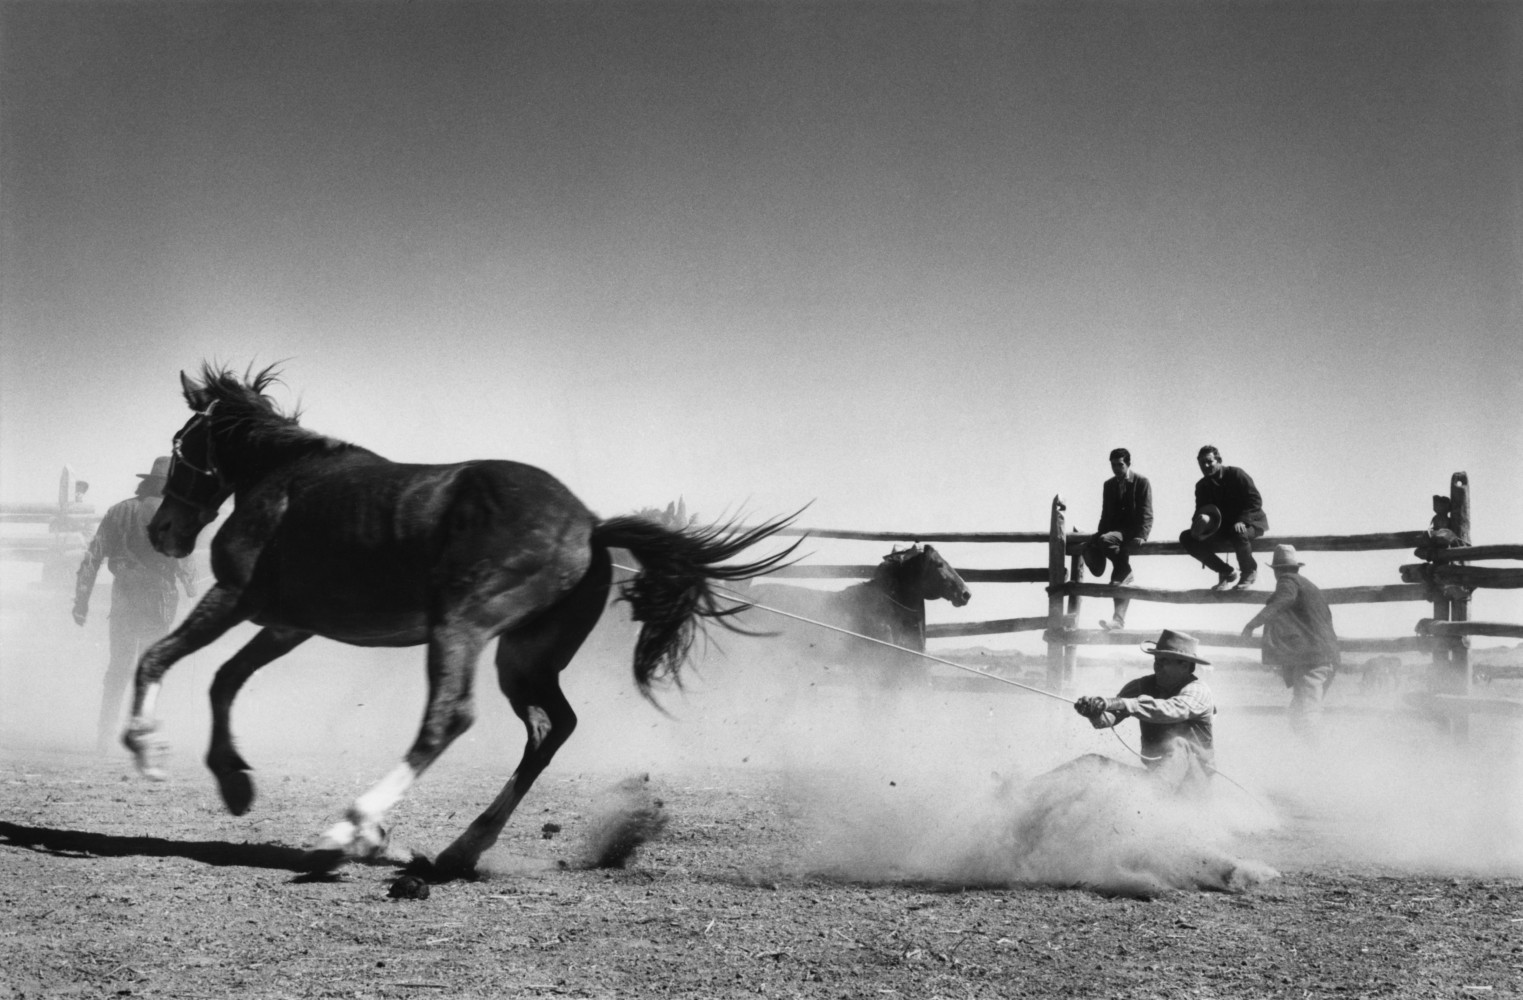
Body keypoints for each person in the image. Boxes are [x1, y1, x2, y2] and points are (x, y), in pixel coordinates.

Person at [73, 457, 197, 750]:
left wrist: (81, 601)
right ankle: (140, 736)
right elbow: (185, 564)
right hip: (160, 600)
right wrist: (190, 586)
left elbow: (92, 558)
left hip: (125, 598)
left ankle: (105, 736)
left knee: (118, 667)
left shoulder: (119, 511)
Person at [1073, 629, 1216, 792]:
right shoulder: (1141, 686)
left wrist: (1118, 703)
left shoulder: (1198, 691)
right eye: (1157, 659)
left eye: (1165, 660)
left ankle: (1151, 798)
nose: (1157, 665)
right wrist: (1094, 713)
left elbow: (1170, 710)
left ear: (1184, 665)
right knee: (1093, 765)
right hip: (1156, 775)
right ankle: (1148, 796)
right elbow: (1109, 719)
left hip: (1194, 783)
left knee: (1179, 744)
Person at [1240, 544, 1340, 741]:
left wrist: (1252, 624)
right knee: (1298, 714)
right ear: (1295, 567)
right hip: (1325, 656)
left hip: (1312, 659)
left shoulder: (1287, 581)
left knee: (1307, 714)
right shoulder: (1307, 585)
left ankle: (1323, 755)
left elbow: (1282, 601)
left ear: (1276, 571)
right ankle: (1308, 753)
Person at [1081, 448, 1153, 631]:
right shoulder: (1109, 484)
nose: (1116, 468)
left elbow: (1146, 511)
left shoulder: (1141, 481)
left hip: (1131, 532)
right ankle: (1118, 621)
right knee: (1114, 569)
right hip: (1113, 531)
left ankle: (1125, 571)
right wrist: (1098, 535)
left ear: (1128, 464)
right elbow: (1105, 512)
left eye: (1119, 464)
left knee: (1108, 543)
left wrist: (1142, 535)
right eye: (1113, 465)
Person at [1178, 445, 1268, 591]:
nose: (1205, 466)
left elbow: (1255, 500)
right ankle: (1226, 571)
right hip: (1222, 527)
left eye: (1209, 462)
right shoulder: (1201, 486)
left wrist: (1242, 520)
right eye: (1202, 463)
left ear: (1219, 460)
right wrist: (1199, 525)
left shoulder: (1236, 474)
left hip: (1251, 522)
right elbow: (1199, 510)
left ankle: (1249, 571)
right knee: (1186, 537)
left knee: (1238, 532)